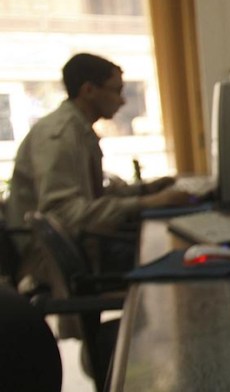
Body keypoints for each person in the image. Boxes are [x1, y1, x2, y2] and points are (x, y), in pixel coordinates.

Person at [5, 52, 193, 287]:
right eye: (116, 90)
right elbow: (63, 215)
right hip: (54, 261)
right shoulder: (59, 136)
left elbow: (91, 199)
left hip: (80, 246)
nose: (122, 101)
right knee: (173, 256)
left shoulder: (78, 129)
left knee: (171, 246)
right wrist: (148, 202)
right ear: (89, 90)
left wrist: (146, 190)